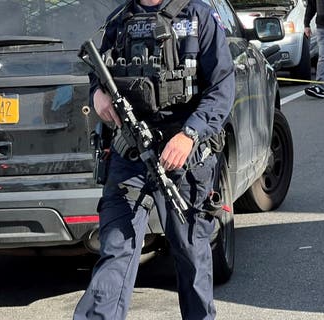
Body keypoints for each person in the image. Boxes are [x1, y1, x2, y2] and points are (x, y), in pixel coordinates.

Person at [73, 0, 234, 319]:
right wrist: (97, 95)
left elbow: (222, 88)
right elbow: (98, 73)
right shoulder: (119, 20)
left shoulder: (198, 16)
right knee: (116, 249)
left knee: (191, 255)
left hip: (184, 159)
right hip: (130, 154)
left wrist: (190, 134)